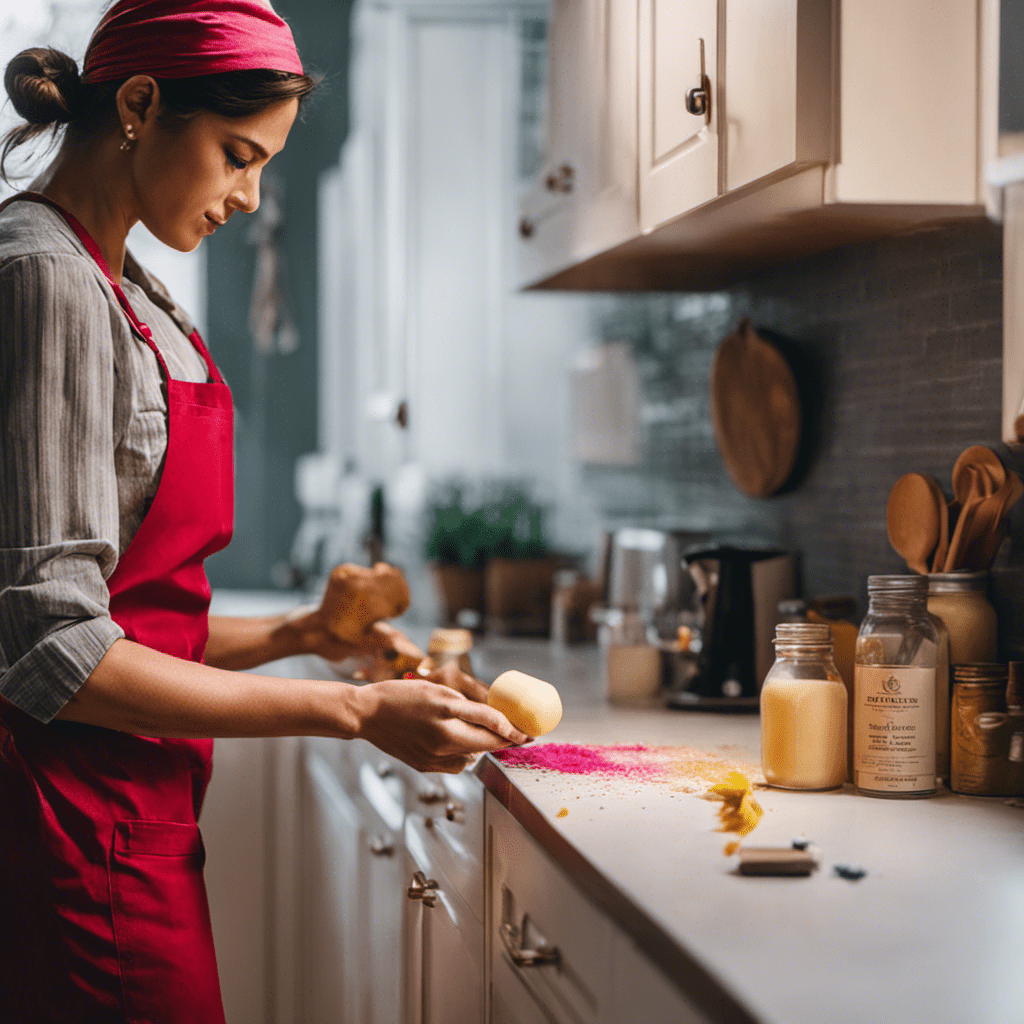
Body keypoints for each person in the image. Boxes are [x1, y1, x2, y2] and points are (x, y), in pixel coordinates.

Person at [0, 2, 528, 1020]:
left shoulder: (133, 291)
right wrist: (356, 710)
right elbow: (51, 645)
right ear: (143, 105)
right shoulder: (45, 279)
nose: (249, 196)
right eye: (239, 155)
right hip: (71, 823)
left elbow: (131, 619)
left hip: (132, 808)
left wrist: (301, 635)